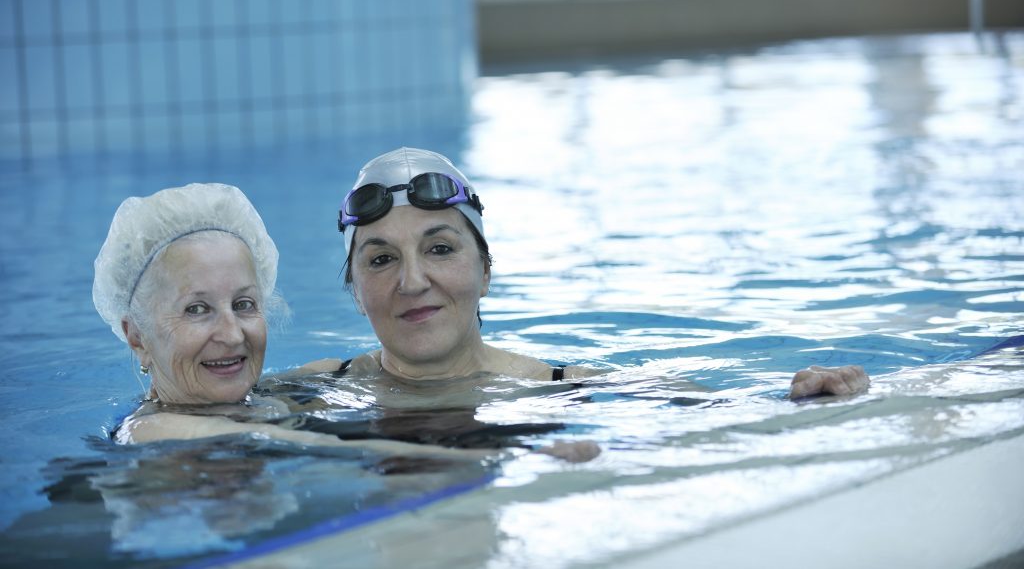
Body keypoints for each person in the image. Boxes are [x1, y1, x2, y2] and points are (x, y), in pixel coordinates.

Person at [301, 147, 868, 399]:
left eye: (441, 249)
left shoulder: (567, 391)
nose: (412, 281)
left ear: (487, 272)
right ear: (355, 291)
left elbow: (730, 415)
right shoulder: (311, 391)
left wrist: (805, 397)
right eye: (380, 259)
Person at [92, 182, 531, 458]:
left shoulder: (280, 398)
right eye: (197, 309)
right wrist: (513, 452)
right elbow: (310, 447)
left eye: (244, 305)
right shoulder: (152, 430)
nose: (231, 334)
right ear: (136, 337)